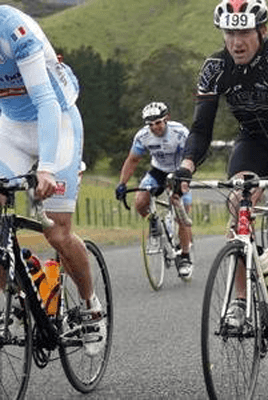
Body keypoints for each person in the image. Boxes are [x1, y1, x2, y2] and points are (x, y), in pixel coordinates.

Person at [175, 0, 268, 343]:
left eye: (243, 32)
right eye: (229, 33)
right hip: (253, 142)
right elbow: (200, 129)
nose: (236, 42)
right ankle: (240, 302)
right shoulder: (215, 67)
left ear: (262, 31)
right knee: (237, 205)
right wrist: (186, 165)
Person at [0, 5, 105, 356]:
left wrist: (45, 168)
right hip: (11, 130)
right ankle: (25, 284)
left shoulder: (13, 30)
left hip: (56, 123)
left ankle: (91, 308)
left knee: (57, 232)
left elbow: (46, 102)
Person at [115, 102, 194, 278]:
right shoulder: (143, 136)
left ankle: (185, 256)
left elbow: (191, 157)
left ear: (167, 119)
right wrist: (122, 184)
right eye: (150, 124)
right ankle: (154, 223)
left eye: (158, 123)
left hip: (180, 171)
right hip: (158, 171)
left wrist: (182, 180)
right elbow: (133, 160)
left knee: (183, 215)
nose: (154, 127)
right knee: (140, 202)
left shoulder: (180, 133)